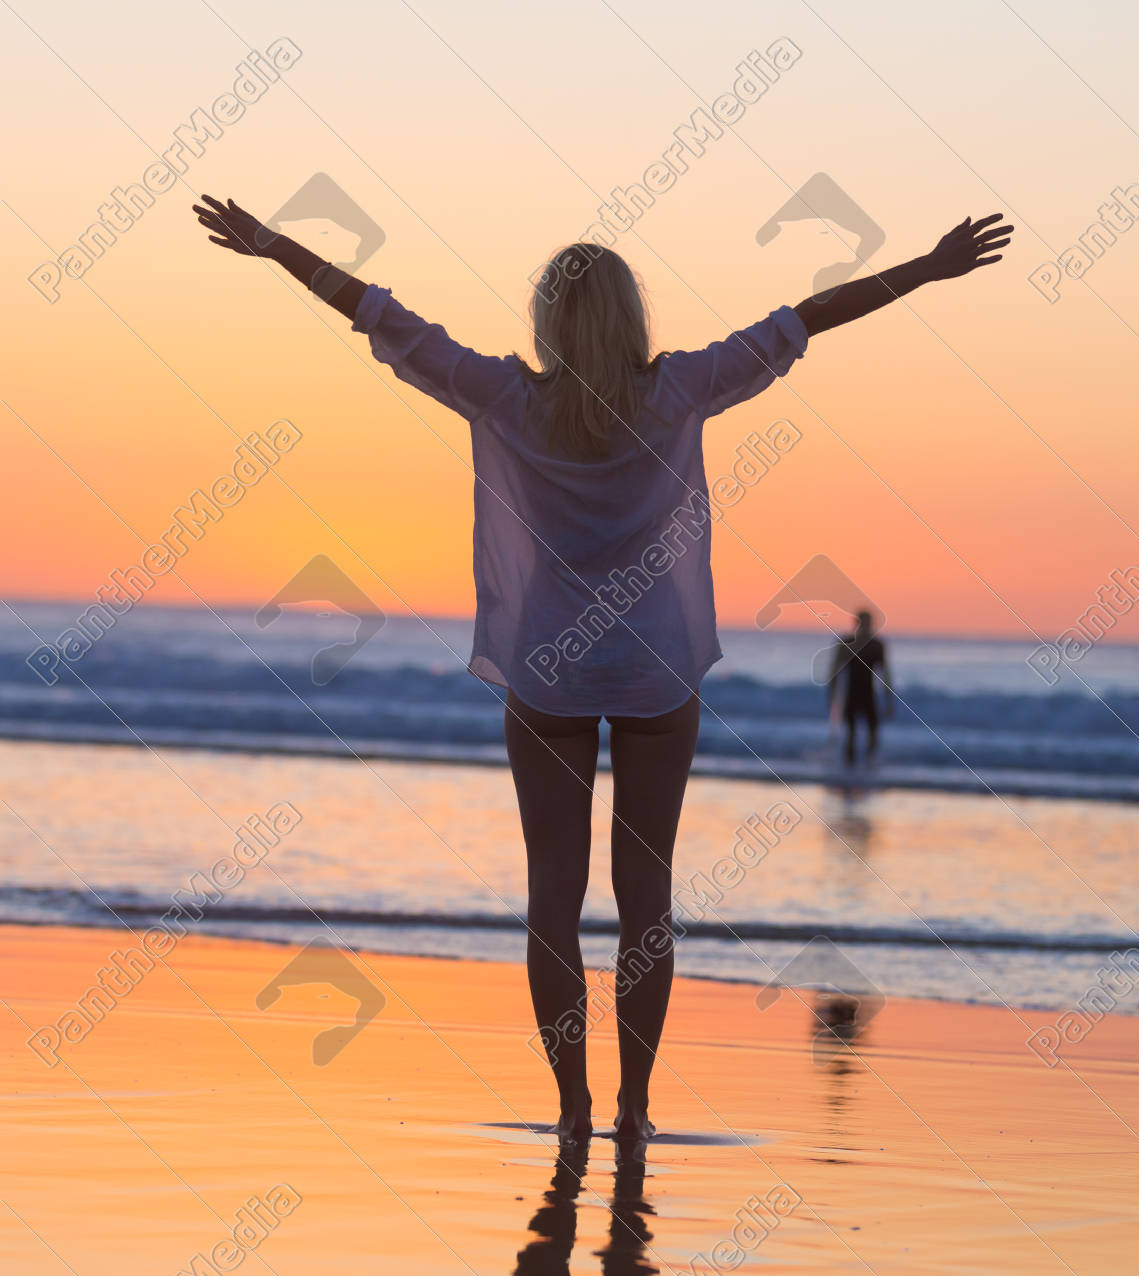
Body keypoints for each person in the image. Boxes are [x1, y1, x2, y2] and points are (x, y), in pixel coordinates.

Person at [192, 194, 1013, 1140]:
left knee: (554, 899)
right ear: (632, 319)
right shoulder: (679, 391)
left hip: (547, 673)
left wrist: (276, 248)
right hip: (657, 670)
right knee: (646, 905)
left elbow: (378, 312)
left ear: (549, 322)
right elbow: (807, 318)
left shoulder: (505, 396)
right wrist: (925, 265)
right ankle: (636, 1108)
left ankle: (573, 1108)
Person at [828, 610, 892, 767]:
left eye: (869, 623)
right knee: (851, 732)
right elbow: (834, 672)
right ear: (857, 623)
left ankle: (869, 766)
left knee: (873, 731)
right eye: (864, 622)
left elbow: (885, 675)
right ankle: (849, 769)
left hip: (869, 695)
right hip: (851, 694)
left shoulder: (877, 646)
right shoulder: (846, 643)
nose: (867, 626)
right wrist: (832, 698)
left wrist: (889, 700)